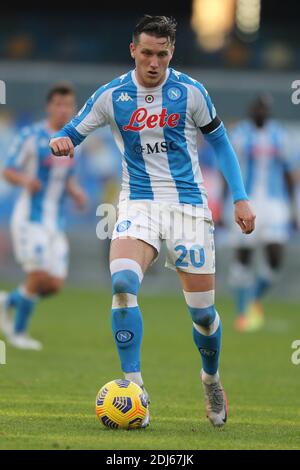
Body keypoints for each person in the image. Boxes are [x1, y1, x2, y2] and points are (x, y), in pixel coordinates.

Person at [49, 15, 255, 428]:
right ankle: (135, 388)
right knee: (123, 283)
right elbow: (75, 129)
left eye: (162, 54)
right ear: (133, 51)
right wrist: (64, 141)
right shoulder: (112, 96)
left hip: (189, 209)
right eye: (146, 53)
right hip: (137, 205)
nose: (154, 62)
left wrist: (241, 198)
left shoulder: (191, 92)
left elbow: (221, 143)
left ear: (171, 53)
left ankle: (211, 378)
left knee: (203, 315)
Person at [0, 84, 86, 350]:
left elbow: (66, 176)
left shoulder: (73, 141)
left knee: (54, 284)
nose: (63, 110)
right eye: (58, 104)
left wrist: (75, 192)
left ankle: (7, 302)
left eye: (68, 105)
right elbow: (8, 171)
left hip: (55, 222)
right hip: (30, 218)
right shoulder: (31, 135)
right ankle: (18, 333)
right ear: (49, 107)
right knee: (37, 276)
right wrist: (26, 180)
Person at [229, 95, 297, 332]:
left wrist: (292, 209)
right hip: (245, 200)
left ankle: (252, 300)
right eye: (257, 107)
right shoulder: (238, 135)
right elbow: (227, 170)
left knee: (276, 256)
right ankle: (241, 313)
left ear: (269, 111)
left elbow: (289, 174)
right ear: (251, 109)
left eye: (265, 108)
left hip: (275, 202)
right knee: (244, 257)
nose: (261, 111)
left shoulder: (280, 135)